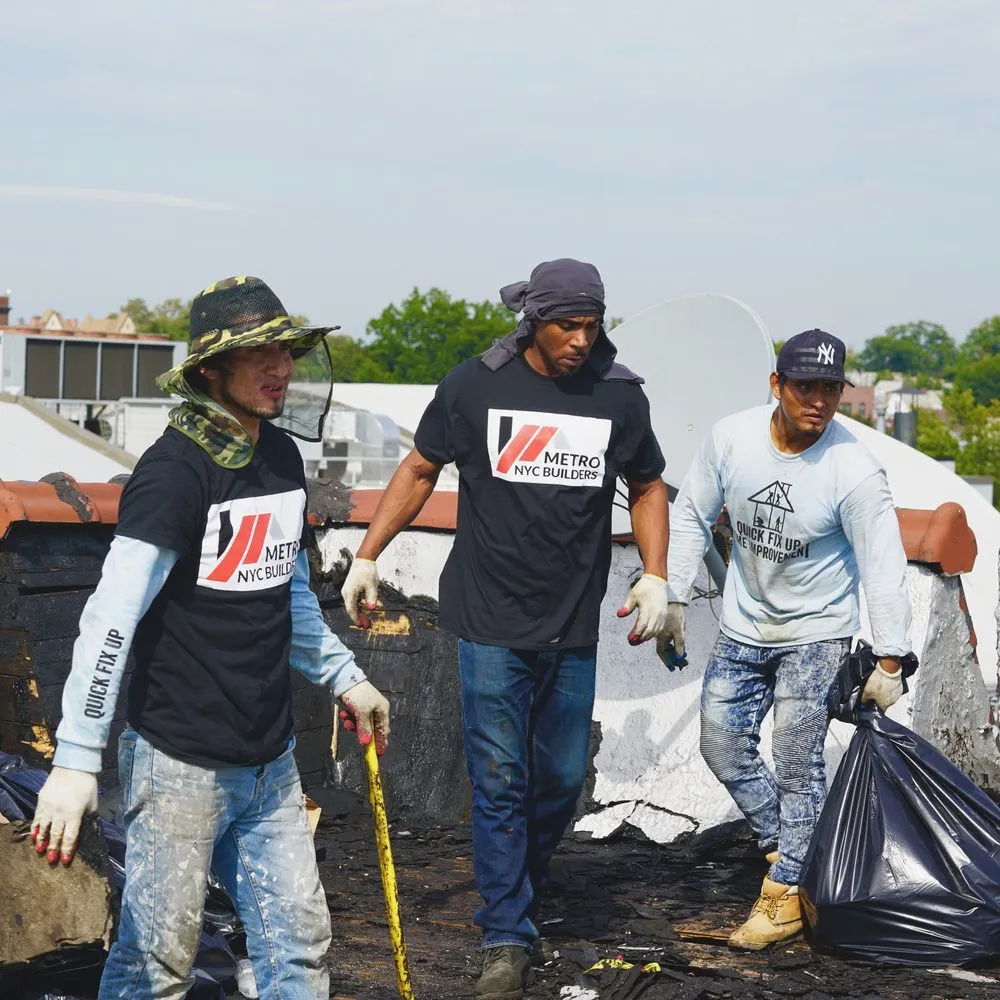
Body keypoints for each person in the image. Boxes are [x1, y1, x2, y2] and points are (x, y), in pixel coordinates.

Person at [30, 276, 391, 1000]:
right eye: (259, 354)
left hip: (269, 761)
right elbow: (111, 617)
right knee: (156, 966)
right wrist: (74, 759)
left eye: (286, 352)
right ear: (210, 371)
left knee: (300, 947)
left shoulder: (281, 459)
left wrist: (344, 675)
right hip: (179, 766)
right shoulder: (173, 473)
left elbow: (287, 590)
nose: (280, 368)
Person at [339, 258, 679, 1000]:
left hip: (571, 624)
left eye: (592, 325)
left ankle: (518, 888)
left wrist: (656, 574)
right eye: (567, 326)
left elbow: (649, 484)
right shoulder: (475, 385)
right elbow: (420, 470)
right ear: (534, 322)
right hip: (489, 620)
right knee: (500, 781)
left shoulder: (618, 395)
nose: (581, 340)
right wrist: (367, 554)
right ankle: (505, 934)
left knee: (559, 781)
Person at [664, 329, 912, 950]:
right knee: (721, 743)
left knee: (799, 761)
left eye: (831, 388)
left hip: (817, 634)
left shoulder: (853, 470)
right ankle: (798, 848)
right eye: (805, 386)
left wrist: (890, 660)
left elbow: (884, 565)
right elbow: (691, 513)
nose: (819, 400)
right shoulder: (732, 439)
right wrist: (672, 597)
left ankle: (785, 895)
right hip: (745, 623)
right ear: (776, 384)